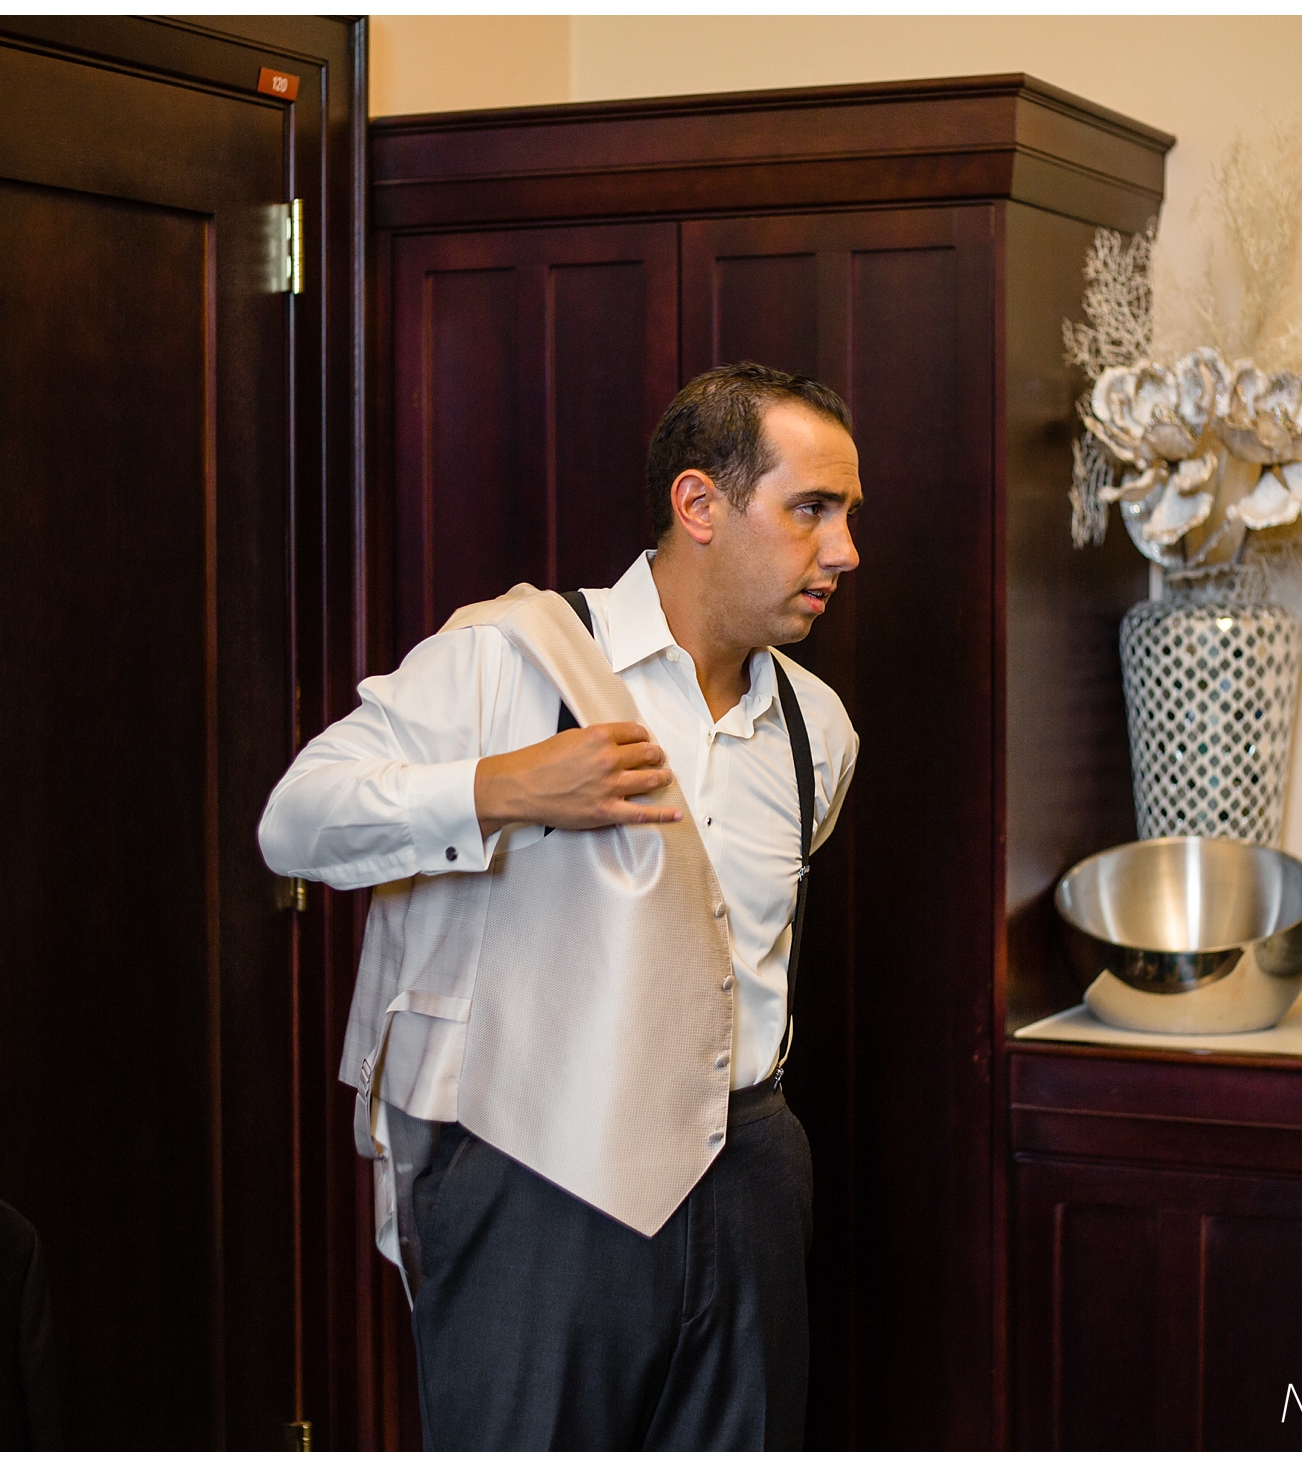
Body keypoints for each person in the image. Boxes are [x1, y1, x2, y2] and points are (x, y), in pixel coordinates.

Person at [257, 363, 863, 1450]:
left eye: (847, 514)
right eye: (811, 508)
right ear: (700, 506)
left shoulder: (819, 729)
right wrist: (500, 788)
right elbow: (295, 822)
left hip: (751, 1178)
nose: (844, 550)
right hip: (541, 1179)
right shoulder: (507, 659)